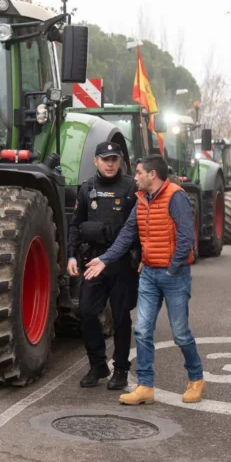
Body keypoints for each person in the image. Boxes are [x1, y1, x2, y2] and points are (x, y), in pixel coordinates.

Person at [84, 154, 205, 406]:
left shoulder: (176, 197)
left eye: (138, 172)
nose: (134, 177)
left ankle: (196, 379)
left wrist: (172, 269)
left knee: (180, 334)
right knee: (142, 330)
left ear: (152, 175)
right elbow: (127, 235)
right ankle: (145, 385)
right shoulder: (142, 200)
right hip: (149, 274)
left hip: (174, 275)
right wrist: (105, 259)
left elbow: (185, 238)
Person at [67, 142, 138, 390]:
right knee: (86, 312)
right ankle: (98, 364)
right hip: (93, 262)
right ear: (96, 161)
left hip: (121, 264)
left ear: (120, 161)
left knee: (120, 318)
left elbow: (140, 226)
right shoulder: (87, 188)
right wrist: (72, 256)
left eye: (114, 159)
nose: (110, 164)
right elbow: (75, 225)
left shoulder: (131, 187)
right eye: (105, 159)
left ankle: (120, 370)